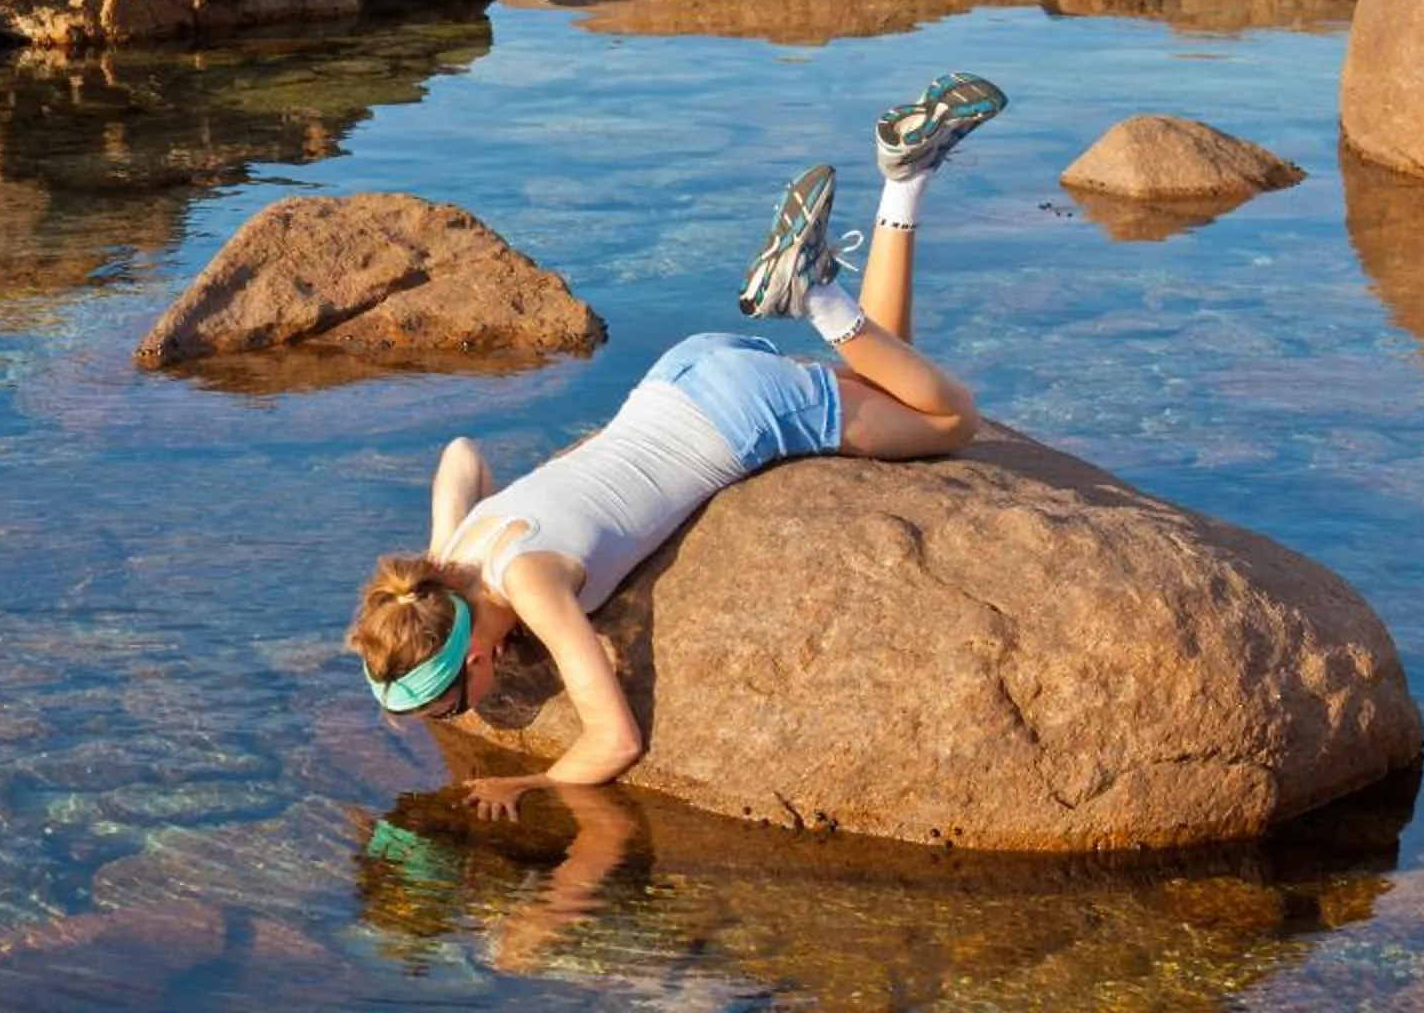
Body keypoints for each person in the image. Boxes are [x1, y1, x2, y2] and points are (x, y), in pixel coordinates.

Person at [348, 71, 1009, 785]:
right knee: (894, 364)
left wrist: (528, 783)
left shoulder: (531, 589)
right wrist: (441, 551)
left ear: (474, 660)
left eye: (452, 710)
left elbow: (614, 742)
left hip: (744, 412)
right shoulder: (464, 553)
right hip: (678, 376)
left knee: (952, 417)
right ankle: (906, 176)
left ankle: (816, 294)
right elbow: (461, 454)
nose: (465, 716)